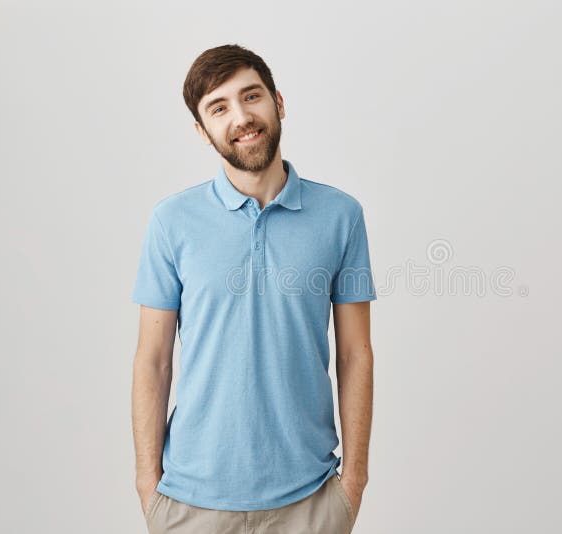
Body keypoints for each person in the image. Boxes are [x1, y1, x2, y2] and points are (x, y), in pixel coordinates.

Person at [131, 44, 376, 534]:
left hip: (310, 499)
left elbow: (355, 354)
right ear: (202, 131)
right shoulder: (172, 222)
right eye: (219, 108)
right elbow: (153, 360)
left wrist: (354, 484)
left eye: (251, 96)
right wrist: (146, 484)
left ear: (278, 102)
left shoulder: (341, 217)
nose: (241, 117)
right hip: (189, 502)